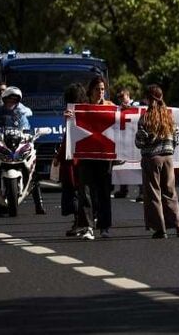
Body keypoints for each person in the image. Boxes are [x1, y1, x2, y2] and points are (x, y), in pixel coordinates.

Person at [0, 86, 43, 216]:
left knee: (34, 170)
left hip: (16, 145)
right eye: (9, 100)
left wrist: (30, 135)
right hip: (0, 143)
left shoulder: (21, 113)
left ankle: (39, 205)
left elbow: (27, 126)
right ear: (4, 100)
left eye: (14, 100)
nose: (11, 102)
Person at [135, 84, 179, 239]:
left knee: (153, 194)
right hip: (168, 158)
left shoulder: (145, 118)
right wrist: (169, 147)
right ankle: (178, 227)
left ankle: (160, 229)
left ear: (148, 99)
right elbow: (177, 137)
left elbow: (140, 142)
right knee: (170, 192)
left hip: (152, 159)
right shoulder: (168, 116)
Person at [73, 75, 116, 239]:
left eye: (103, 89)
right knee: (85, 191)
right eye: (97, 89)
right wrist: (69, 117)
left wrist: (126, 109)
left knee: (104, 191)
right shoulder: (82, 107)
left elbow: (122, 120)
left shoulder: (111, 107)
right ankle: (88, 227)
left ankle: (104, 226)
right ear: (91, 91)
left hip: (104, 156)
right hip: (86, 155)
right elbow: (74, 125)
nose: (100, 92)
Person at [56, 83, 88, 236]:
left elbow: (67, 138)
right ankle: (81, 221)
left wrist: (59, 156)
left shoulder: (74, 113)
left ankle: (79, 222)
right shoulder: (87, 111)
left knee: (74, 190)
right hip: (81, 157)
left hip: (73, 159)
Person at [112, 87, 139, 199]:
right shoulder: (118, 108)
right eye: (119, 97)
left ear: (128, 96)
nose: (121, 99)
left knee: (137, 165)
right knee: (123, 165)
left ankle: (142, 191)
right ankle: (123, 189)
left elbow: (141, 110)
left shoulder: (136, 104)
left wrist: (130, 108)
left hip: (135, 139)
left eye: (122, 96)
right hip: (124, 140)